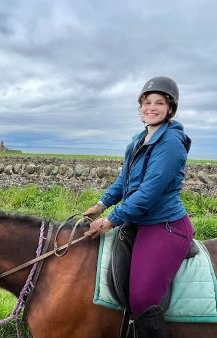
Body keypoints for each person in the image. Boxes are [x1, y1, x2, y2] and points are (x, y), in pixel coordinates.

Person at [83, 76, 194, 338]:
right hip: (137, 221)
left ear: (170, 109)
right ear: (139, 108)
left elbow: (148, 194)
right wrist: (102, 204)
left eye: (159, 103)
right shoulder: (139, 139)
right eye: (146, 103)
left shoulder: (171, 144)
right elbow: (126, 180)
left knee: (143, 298)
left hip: (164, 225)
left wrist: (110, 221)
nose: (151, 108)